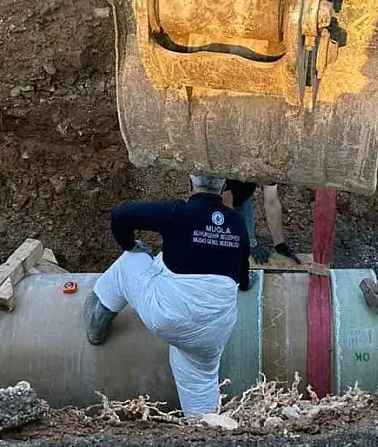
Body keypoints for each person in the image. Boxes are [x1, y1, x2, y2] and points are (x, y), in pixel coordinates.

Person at [84, 174, 255, 419]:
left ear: (190, 181)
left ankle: (96, 322)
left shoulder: (179, 212)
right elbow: (243, 275)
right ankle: (204, 430)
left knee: (131, 261)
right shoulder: (237, 223)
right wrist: (247, 282)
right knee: (200, 385)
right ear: (224, 186)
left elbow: (120, 214)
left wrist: (130, 245)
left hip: (170, 316)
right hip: (214, 330)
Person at [222, 179, 301, 264]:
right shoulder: (229, 172)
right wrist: (249, 242)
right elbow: (227, 206)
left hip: (242, 197)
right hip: (217, 199)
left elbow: (271, 201)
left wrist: (280, 243)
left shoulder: (267, 169)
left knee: (247, 243)